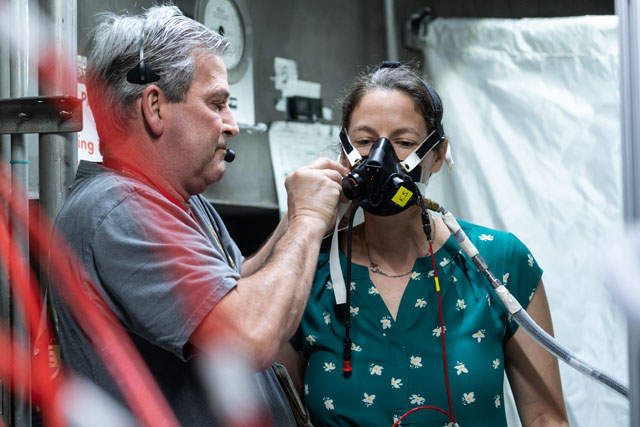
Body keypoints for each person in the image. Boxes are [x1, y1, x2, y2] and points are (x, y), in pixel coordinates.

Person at [49, 5, 348, 426]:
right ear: (154, 106)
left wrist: (302, 218)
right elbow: (249, 336)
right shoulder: (119, 212)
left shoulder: (180, 200)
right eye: (217, 104)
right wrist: (307, 221)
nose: (232, 125)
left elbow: (231, 288)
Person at [279, 63, 569, 426]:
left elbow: (545, 417)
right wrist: (301, 224)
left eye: (404, 142)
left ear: (436, 155)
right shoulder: (308, 271)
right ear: (343, 154)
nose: (380, 159)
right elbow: (276, 412)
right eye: (365, 141)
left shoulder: (497, 262)